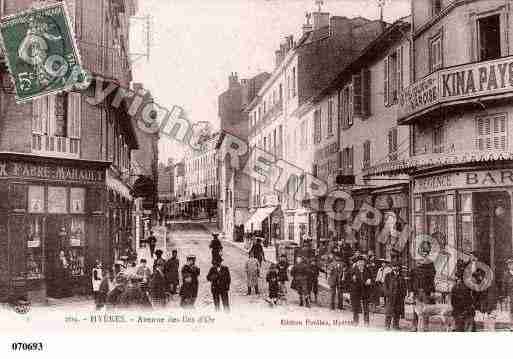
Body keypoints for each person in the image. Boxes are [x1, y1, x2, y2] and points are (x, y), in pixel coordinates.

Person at [411, 241, 437, 331]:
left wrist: (433, 290)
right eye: (423, 251)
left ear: (428, 253)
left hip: (426, 290)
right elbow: (412, 277)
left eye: (426, 252)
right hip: (417, 290)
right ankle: (414, 326)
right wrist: (411, 291)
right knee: (416, 310)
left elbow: (432, 278)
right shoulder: (416, 262)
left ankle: (425, 327)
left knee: (426, 310)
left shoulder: (430, 264)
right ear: (420, 251)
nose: (424, 254)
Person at [451, 260, 476, 332]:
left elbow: (453, 302)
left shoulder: (455, 287)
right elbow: (473, 300)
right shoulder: (470, 286)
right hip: (466, 313)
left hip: (459, 313)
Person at [349, 255, 373, 326]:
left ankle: (366, 322)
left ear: (364, 262)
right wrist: (352, 279)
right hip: (356, 291)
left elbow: (372, 278)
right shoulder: (353, 270)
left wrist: (370, 280)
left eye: (362, 262)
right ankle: (355, 321)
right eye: (359, 262)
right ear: (357, 263)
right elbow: (348, 280)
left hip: (365, 291)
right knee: (355, 307)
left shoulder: (367, 270)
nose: (361, 263)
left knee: (366, 307)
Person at [383, 259, 407, 330]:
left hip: (399, 298)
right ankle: (387, 325)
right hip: (390, 297)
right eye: (394, 266)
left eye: (397, 267)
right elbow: (385, 286)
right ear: (392, 267)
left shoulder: (401, 277)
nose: (396, 268)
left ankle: (396, 325)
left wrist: (403, 295)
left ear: (399, 268)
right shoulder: (388, 276)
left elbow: (404, 287)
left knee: (397, 312)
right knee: (389, 312)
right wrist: (387, 294)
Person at [502, 257, 513, 326]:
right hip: (511, 294)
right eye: (508, 264)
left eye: (511, 264)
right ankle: (512, 324)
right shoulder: (506, 274)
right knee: (512, 310)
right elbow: (504, 286)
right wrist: (505, 296)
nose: (509, 266)